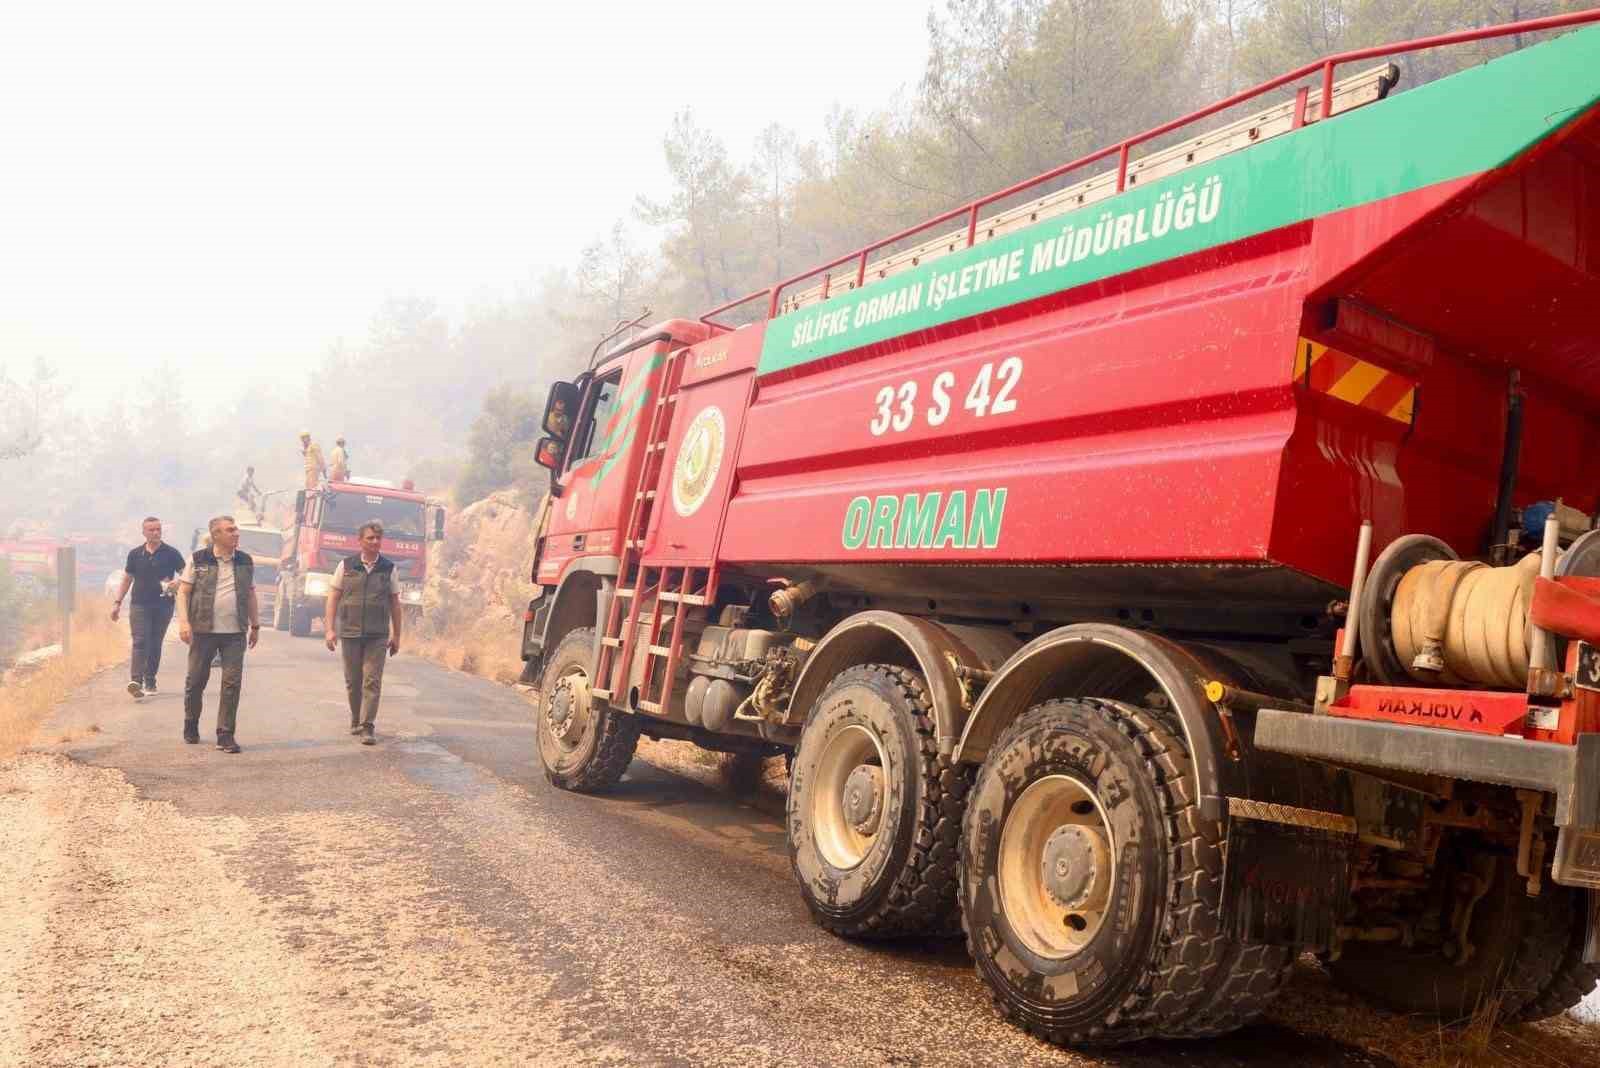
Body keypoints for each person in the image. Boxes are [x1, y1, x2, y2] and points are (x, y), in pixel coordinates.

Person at [175, 515, 260, 752]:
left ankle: (225, 734)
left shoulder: (245, 561)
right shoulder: (198, 560)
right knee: (196, 681)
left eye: (236, 529)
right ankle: (191, 723)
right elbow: (183, 592)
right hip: (203, 631)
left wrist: (255, 625)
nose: (236, 533)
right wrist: (184, 622)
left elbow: (250, 593)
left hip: (235, 633)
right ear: (216, 536)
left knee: (232, 683)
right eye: (230, 530)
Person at [323, 519, 401, 746]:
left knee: (372, 681)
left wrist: (397, 635)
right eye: (370, 538)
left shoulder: (389, 568)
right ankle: (356, 719)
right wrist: (329, 629)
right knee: (353, 680)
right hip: (350, 632)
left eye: (378, 538)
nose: (375, 542)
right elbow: (333, 598)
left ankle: (368, 726)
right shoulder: (346, 566)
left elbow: (395, 604)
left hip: (377, 635)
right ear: (360, 541)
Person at [110, 517, 186, 698]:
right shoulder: (135, 554)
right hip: (139, 604)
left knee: (155, 643)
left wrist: (177, 583)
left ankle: (150, 679)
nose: (156, 533)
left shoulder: (171, 553)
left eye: (158, 529)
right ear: (143, 533)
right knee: (139, 640)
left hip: (163, 604)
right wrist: (117, 602)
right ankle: (136, 681)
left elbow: (186, 574)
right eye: (151, 530)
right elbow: (127, 578)